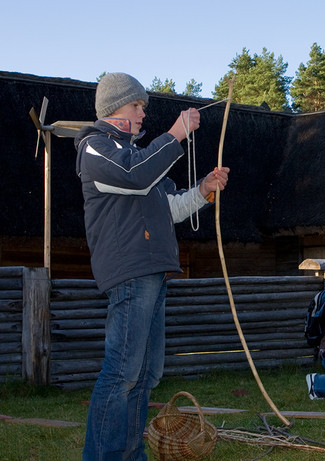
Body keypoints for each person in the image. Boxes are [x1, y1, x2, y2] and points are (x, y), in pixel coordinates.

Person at [74, 72, 230, 460]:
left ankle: (130, 455)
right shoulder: (96, 147)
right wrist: (175, 133)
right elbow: (136, 175)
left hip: (154, 271)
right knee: (122, 373)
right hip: (130, 270)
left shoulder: (136, 157)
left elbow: (169, 205)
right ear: (114, 110)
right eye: (136, 106)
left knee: (146, 375)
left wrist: (203, 190)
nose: (143, 113)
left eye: (143, 106)